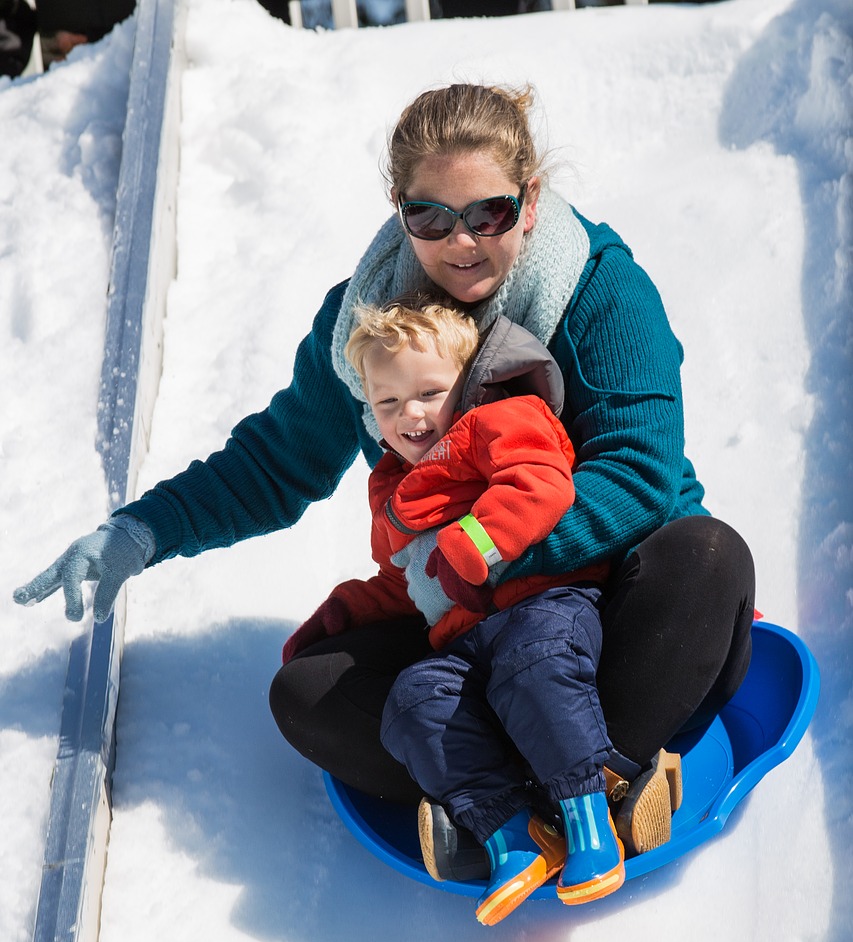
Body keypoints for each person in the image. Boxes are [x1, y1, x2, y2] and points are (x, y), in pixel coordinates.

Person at [14, 82, 755, 884]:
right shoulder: (370, 325)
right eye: (430, 217)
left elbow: (637, 475)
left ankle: (537, 790)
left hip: (604, 595)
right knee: (309, 692)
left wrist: (481, 555)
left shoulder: (599, 292)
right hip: (464, 616)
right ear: (399, 207)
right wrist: (143, 529)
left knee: (709, 555)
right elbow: (276, 461)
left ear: (530, 200)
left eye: (489, 214)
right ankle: (571, 788)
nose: (461, 242)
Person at [286, 294, 621, 924]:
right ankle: (514, 837)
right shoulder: (391, 489)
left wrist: (479, 540)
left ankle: (590, 817)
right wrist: (349, 611)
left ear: (466, 385)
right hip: (465, 642)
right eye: (387, 403)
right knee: (416, 699)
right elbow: (412, 583)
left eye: (429, 392)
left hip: (546, 603)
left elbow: (540, 481)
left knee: (533, 663)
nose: (409, 413)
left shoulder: (500, 420)